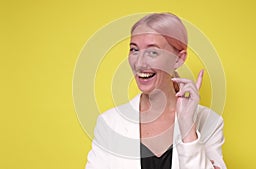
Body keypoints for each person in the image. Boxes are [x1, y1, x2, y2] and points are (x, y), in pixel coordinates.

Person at [85, 12, 226, 169]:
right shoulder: (109, 123)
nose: (139, 63)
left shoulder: (210, 123)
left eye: (153, 52)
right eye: (134, 50)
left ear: (178, 59)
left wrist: (188, 129)